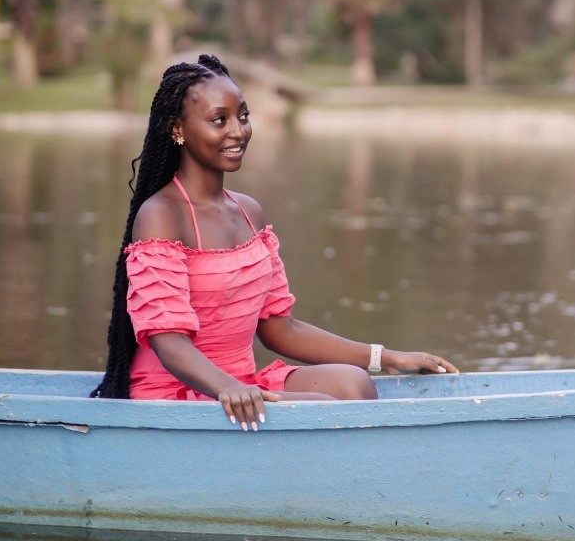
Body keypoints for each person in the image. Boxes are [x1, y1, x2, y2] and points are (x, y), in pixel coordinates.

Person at [91, 54, 457, 429]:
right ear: (177, 128)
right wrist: (225, 386)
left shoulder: (250, 212)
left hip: (241, 383)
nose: (238, 131)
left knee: (355, 383)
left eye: (243, 116)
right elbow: (170, 343)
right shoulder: (162, 215)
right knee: (323, 408)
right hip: (183, 390)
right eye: (220, 120)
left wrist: (388, 358)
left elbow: (281, 329)